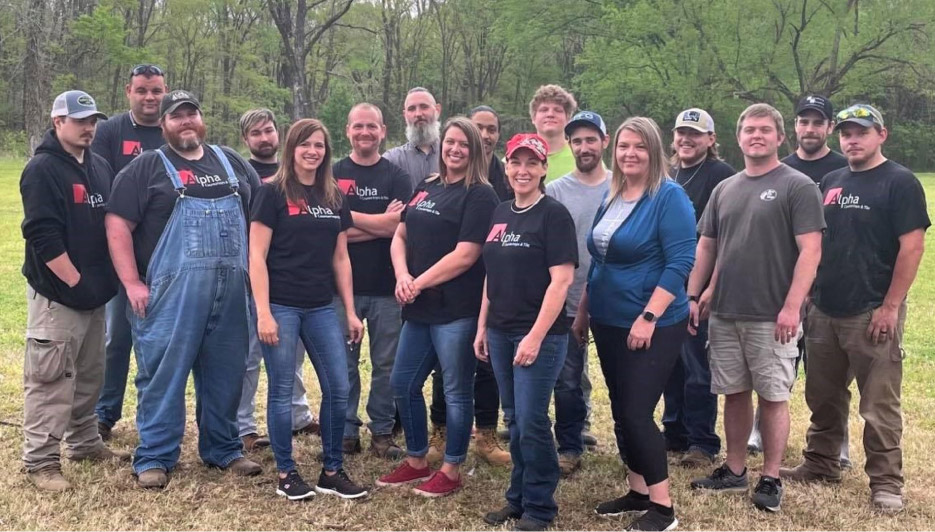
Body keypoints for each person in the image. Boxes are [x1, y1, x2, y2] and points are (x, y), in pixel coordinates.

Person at [106, 90, 263, 489]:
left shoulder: (233, 163)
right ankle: (156, 455)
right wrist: (131, 282)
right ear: (164, 125)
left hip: (231, 292)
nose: (186, 121)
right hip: (169, 296)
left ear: (202, 120)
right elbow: (117, 224)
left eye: (192, 114)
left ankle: (223, 448)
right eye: (177, 117)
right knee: (163, 375)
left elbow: (261, 222)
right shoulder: (146, 168)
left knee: (225, 373)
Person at [780, 104, 929, 513]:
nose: (852, 140)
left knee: (878, 404)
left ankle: (886, 482)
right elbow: (817, 243)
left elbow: (912, 246)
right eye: (845, 133)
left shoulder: (899, 182)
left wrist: (890, 306)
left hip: (872, 310)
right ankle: (822, 461)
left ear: (882, 134)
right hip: (825, 307)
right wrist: (808, 294)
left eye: (861, 132)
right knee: (823, 394)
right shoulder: (832, 180)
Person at [688, 103, 825, 513]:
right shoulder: (725, 188)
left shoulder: (797, 186)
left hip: (772, 314)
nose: (756, 135)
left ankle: (770, 476)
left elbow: (811, 250)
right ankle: (733, 470)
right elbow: (708, 245)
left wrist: (791, 306)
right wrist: (695, 295)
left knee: (772, 395)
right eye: (749, 129)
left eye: (765, 129)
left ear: (780, 137)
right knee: (733, 392)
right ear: (738, 136)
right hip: (726, 311)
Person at [579, 117, 696, 531]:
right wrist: (583, 312)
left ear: (655, 151)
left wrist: (649, 316)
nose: (630, 153)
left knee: (636, 411)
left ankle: (663, 508)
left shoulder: (669, 197)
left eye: (640, 147)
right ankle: (638, 490)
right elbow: (599, 260)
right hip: (607, 319)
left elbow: (681, 261)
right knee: (619, 406)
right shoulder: (613, 195)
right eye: (624, 146)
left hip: (652, 322)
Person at [376, 117, 499, 497]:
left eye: (464, 143)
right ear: (442, 145)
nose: (455, 149)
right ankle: (416, 460)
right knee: (403, 383)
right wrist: (401, 275)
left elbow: (466, 255)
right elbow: (400, 233)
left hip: (455, 310)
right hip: (419, 307)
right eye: (450, 142)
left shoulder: (480, 194)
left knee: (457, 391)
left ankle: (451, 468)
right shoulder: (426, 186)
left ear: (475, 149)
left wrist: (418, 282)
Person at [250, 118, 369, 500]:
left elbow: (341, 258)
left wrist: (350, 311)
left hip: (321, 307)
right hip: (282, 306)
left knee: (338, 385)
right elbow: (256, 256)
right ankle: (286, 473)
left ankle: (332, 470)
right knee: (282, 390)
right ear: (292, 148)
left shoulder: (332, 195)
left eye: (319, 145)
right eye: (305, 145)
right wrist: (264, 312)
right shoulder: (271, 193)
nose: (312, 152)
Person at [21, 90, 129, 491]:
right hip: (59, 298)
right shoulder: (42, 169)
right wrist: (75, 283)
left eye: (93, 120)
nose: (89, 127)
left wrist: (97, 287)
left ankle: (84, 442)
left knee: (88, 376)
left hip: (95, 297)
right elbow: (42, 236)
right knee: (50, 378)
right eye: (80, 120)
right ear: (58, 123)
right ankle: (41, 461)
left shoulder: (99, 165)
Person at [476, 133, 577, 531]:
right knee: (515, 418)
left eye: (531, 163)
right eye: (516, 163)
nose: (523, 170)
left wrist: (535, 336)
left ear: (543, 169)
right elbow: (491, 273)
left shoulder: (554, 215)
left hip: (540, 335)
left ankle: (540, 507)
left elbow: (562, 281)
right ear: (506, 167)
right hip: (499, 331)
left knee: (533, 419)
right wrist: (483, 325)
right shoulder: (500, 211)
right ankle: (516, 498)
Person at [748, 95, 851, 466]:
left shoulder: (844, 169)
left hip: (828, 286)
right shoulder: (779, 167)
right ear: (793, 127)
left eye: (817, 122)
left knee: (827, 372)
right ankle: (759, 430)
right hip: (780, 285)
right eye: (803, 122)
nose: (809, 129)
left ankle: (836, 443)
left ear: (829, 128)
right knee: (772, 363)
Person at [425, 105, 512, 467]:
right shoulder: (439, 180)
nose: (486, 135)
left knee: (485, 364)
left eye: (491, 129)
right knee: (445, 368)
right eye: (480, 128)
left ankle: (487, 437)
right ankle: (441, 432)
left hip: (487, 283)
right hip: (444, 289)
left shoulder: (506, 176)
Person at [92, 64, 167, 442]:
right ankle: (104, 413)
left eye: (156, 90)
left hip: (168, 259)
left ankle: (156, 417)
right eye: (142, 90)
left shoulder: (176, 128)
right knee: (117, 338)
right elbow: (99, 182)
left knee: (164, 343)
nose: (150, 97)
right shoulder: (110, 131)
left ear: (165, 91)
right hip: (124, 259)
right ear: (128, 92)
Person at [236, 108, 319, 452]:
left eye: (268, 130)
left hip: (293, 278)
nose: (264, 138)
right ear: (246, 140)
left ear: (278, 133)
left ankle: (298, 415)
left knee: (293, 353)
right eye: (255, 134)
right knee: (251, 353)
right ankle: (243, 425)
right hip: (255, 273)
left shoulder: (295, 174)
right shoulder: (241, 173)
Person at [332, 103, 412, 459]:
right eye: (358, 126)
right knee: (342, 364)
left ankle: (382, 433)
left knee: (386, 365)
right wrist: (378, 223)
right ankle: (346, 432)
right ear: (347, 130)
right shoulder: (331, 174)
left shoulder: (396, 176)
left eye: (372, 127)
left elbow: (399, 226)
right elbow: (328, 229)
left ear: (383, 131)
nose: (365, 133)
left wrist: (349, 222)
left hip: (386, 289)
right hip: (341, 289)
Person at [661, 108, 735, 469]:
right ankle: (673, 431)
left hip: (699, 287)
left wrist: (707, 289)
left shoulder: (722, 176)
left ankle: (702, 441)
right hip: (666, 284)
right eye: (681, 133)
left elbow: (726, 238)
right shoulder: (668, 173)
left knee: (697, 367)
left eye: (695, 134)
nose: (686, 140)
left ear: (710, 139)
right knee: (669, 365)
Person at [546, 110, 610, 477]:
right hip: (567, 302)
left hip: (615, 301)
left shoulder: (622, 186)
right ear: (569, 146)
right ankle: (569, 446)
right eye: (577, 141)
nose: (584, 147)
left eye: (591, 139)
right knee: (567, 381)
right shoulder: (555, 192)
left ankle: (631, 443)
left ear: (605, 141)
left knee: (623, 381)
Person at [384, 87, 442, 190]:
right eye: (411, 109)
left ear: (437, 110)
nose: (418, 114)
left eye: (424, 107)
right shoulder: (392, 160)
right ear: (405, 115)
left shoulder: (453, 155)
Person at [528, 84, 578, 183]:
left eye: (558, 110)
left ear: (568, 118)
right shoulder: (516, 157)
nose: (550, 114)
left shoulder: (581, 156)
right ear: (533, 118)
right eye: (544, 110)